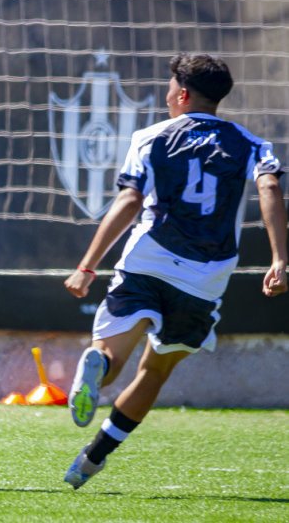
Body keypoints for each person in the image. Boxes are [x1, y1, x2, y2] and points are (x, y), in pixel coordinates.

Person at [62, 53, 287, 489]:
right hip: (205, 276)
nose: (166, 97)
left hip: (149, 257)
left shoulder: (150, 136)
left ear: (182, 94)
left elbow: (128, 202)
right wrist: (279, 259)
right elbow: (270, 186)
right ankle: (93, 458)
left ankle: (98, 368)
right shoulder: (251, 143)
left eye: (169, 89)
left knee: (113, 353)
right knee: (156, 370)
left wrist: (87, 265)